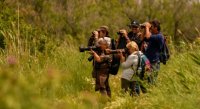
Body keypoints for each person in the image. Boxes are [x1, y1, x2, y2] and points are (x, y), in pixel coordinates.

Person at [142, 20, 165, 84]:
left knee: (152, 81)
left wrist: (147, 27)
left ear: (156, 27)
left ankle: (153, 92)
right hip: (147, 61)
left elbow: (147, 36)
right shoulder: (152, 35)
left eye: (151, 27)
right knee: (145, 80)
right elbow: (143, 38)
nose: (150, 28)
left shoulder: (159, 36)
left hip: (154, 62)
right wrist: (145, 28)